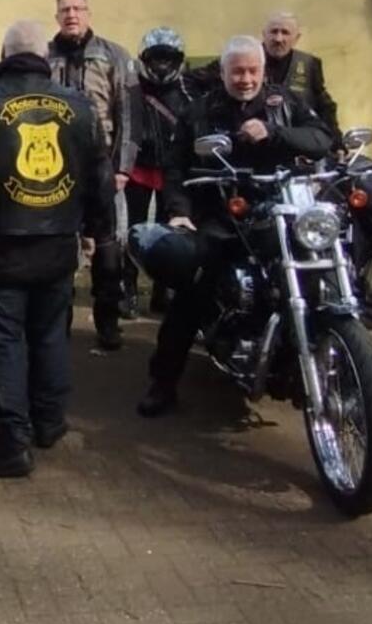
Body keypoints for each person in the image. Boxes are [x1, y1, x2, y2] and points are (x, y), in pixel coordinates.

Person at [0, 20, 113, 478]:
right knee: (50, 333)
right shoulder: (81, 107)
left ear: (3, 53)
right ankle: (48, 423)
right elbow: (101, 179)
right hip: (57, 243)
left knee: (3, 343)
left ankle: (13, 441)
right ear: (43, 55)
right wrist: (98, 229)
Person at [137, 35, 334, 418]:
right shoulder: (201, 111)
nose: (245, 79)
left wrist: (275, 133)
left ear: (263, 70)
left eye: (252, 71)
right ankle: (162, 382)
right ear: (223, 72)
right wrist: (179, 210)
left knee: (315, 267)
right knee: (196, 286)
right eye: (238, 71)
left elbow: (322, 138)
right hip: (221, 214)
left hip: (279, 210)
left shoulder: (284, 103)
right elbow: (175, 166)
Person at [46, 0, 139, 349]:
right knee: (60, 251)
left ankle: (108, 322)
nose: (71, 15)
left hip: (104, 169)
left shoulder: (115, 56)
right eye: (64, 10)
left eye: (77, 9)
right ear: (57, 17)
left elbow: (129, 116)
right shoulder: (44, 56)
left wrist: (123, 169)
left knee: (108, 250)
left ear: (88, 13)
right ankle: (60, 322)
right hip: (56, 170)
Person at [123, 28, 199, 317]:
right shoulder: (131, 89)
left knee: (171, 235)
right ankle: (128, 290)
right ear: (145, 58)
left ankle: (162, 292)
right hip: (139, 168)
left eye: (168, 58)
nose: (162, 65)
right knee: (135, 230)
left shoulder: (188, 91)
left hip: (173, 173)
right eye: (156, 58)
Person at [261, 12, 341, 144]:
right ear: (264, 34)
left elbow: (324, 107)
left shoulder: (310, 64)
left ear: (296, 38)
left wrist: (336, 141)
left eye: (285, 33)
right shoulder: (245, 61)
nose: (278, 39)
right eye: (273, 32)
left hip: (300, 145)